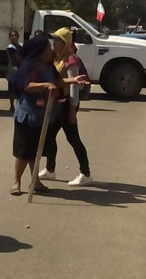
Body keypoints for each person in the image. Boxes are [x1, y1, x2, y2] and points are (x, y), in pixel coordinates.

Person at [11, 36, 88, 195]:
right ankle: (16, 182)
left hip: (42, 115)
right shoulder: (30, 66)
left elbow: (58, 82)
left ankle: (36, 182)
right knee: (23, 151)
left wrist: (73, 80)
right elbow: (27, 85)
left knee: (36, 150)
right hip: (26, 115)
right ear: (39, 51)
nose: (51, 50)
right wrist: (46, 85)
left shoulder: (48, 66)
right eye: (48, 47)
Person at [39, 27, 93, 186]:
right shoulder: (57, 58)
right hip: (57, 104)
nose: (54, 43)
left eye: (57, 40)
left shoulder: (71, 60)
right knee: (49, 136)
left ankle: (86, 173)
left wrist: (72, 110)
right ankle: (50, 170)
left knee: (73, 139)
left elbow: (74, 86)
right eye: (53, 40)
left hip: (67, 104)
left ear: (65, 43)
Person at [6, 29, 22, 113]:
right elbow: (18, 58)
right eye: (12, 36)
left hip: (20, 71)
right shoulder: (10, 48)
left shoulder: (19, 46)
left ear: (18, 36)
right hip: (13, 71)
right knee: (12, 90)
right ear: (9, 38)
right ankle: (11, 106)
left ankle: (18, 105)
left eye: (15, 35)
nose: (14, 37)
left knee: (19, 90)